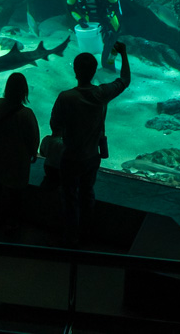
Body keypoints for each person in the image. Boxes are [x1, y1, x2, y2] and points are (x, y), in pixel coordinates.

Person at [48, 42, 131, 247]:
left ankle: (70, 237)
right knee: (87, 193)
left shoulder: (66, 97)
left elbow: (55, 127)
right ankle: (87, 235)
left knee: (69, 197)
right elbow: (125, 80)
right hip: (92, 157)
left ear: (75, 71)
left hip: (70, 157)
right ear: (94, 72)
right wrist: (123, 54)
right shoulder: (102, 93)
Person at [0, 72, 40, 237]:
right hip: (17, 162)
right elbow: (34, 139)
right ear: (24, 91)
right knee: (16, 194)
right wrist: (33, 153)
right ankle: (12, 223)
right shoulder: (26, 114)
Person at [66, 0, 123, 69]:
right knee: (89, 50)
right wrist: (79, 19)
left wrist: (109, 17)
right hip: (90, 23)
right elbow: (70, 8)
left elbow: (116, 6)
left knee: (109, 48)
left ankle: (110, 66)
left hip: (109, 21)